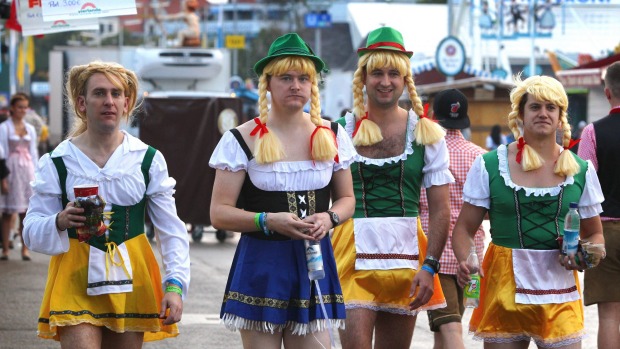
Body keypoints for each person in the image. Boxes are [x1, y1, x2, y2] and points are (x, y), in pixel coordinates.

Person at [22, 61, 190, 346]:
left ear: (127, 103)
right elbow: (30, 231)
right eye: (99, 93)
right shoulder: (58, 162)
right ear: (82, 102)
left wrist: (175, 284)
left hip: (132, 275)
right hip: (75, 275)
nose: (109, 101)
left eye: (116, 93)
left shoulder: (147, 159)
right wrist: (59, 221)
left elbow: (171, 230)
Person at [209, 33, 356, 349]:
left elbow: (347, 199)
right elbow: (219, 214)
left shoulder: (331, 133)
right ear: (268, 83)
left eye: (304, 78)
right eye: (286, 77)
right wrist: (268, 220)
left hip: (315, 264)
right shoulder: (242, 139)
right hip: (262, 265)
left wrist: (330, 218)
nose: (296, 85)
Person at [453, 74, 605, 348]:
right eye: (535, 106)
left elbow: (595, 234)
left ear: (561, 117)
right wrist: (466, 260)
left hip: (560, 291)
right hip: (503, 285)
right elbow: (464, 229)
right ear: (521, 114)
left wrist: (586, 257)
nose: (543, 113)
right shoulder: (490, 164)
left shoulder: (581, 170)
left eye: (551, 107)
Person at [332, 26, 452, 349]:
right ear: (364, 78)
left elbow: (441, 209)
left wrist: (431, 266)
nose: (385, 82)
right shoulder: (340, 130)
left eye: (394, 74)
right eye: (377, 73)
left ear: (405, 80)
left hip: (407, 261)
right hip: (351, 255)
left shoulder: (425, 134)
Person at [419, 89, 486, 349]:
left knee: (449, 327)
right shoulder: (479, 156)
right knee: (447, 326)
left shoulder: (427, 152)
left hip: (434, 251)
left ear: (434, 116)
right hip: (472, 257)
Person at [578, 61, 620, 349]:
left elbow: (582, 187)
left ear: (607, 93)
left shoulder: (592, 133)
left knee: (608, 316)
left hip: (604, 233)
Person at [0, 93, 38, 261]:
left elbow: (34, 152)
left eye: (25, 107)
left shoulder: (29, 128)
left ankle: (25, 249)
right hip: (11, 169)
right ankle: (6, 249)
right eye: (20, 107)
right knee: (9, 211)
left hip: (27, 170)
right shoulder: (4, 128)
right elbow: (3, 153)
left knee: (26, 212)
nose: (23, 110)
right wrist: (3, 178)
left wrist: (37, 177)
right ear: (13, 108)